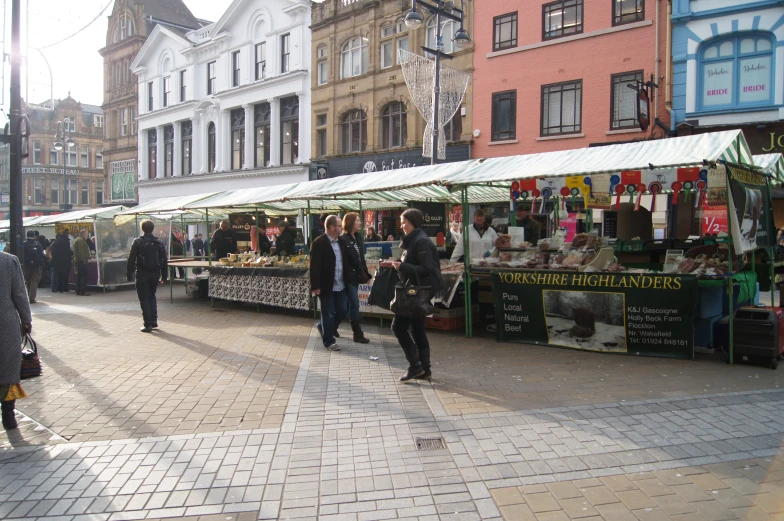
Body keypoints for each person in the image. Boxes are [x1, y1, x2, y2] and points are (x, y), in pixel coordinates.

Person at [385, 208, 445, 381]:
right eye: (401, 223)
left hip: (417, 292)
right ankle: (424, 369)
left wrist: (401, 267)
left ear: (413, 222)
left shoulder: (421, 241)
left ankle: (415, 366)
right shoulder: (414, 240)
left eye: (404, 222)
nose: (402, 226)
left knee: (398, 327)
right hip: (416, 290)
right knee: (417, 329)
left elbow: (426, 269)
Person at [0, 250, 32, 430]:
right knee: (8, 367)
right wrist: (26, 319)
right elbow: (19, 293)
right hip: (5, 323)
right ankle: (8, 415)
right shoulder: (8, 261)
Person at [310, 215, 348, 351]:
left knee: (343, 309)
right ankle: (329, 341)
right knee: (328, 313)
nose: (341, 228)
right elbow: (314, 266)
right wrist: (315, 286)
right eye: (339, 226)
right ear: (332, 227)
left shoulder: (342, 242)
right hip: (326, 285)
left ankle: (323, 326)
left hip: (341, 283)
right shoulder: (319, 242)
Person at [127, 220, 169, 333]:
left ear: (142, 229)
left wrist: (129, 274)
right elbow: (164, 260)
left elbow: (131, 259)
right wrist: (164, 276)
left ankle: (148, 324)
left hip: (142, 273)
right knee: (152, 296)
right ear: (153, 228)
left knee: (144, 299)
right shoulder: (159, 242)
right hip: (155, 273)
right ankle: (154, 320)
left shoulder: (138, 242)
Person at [339, 212, 371, 344]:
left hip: (356, 276)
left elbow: (361, 258)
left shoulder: (358, 238)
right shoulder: (343, 239)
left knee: (346, 306)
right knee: (354, 304)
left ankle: (328, 326)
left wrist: (366, 274)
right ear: (351, 223)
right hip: (348, 277)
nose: (360, 223)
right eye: (358, 221)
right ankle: (357, 333)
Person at [22, 231, 45, 304]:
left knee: (27, 280)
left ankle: (28, 294)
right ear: (34, 236)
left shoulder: (23, 244)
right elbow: (42, 255)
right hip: (36, 266)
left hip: (26, 265)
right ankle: (32, 298)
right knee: (34, 281)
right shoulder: (38, 244)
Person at [73, 229, 92, 296]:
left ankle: (78, 290)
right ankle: (83, 291)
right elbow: (81, 251)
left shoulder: (77, 239)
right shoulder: (81, 240)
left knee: (79, 276)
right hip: (81, 261)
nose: (88, 234)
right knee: (84, 276)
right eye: (87, 233)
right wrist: (84, 260)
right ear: (84, 233)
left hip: (78, 261)